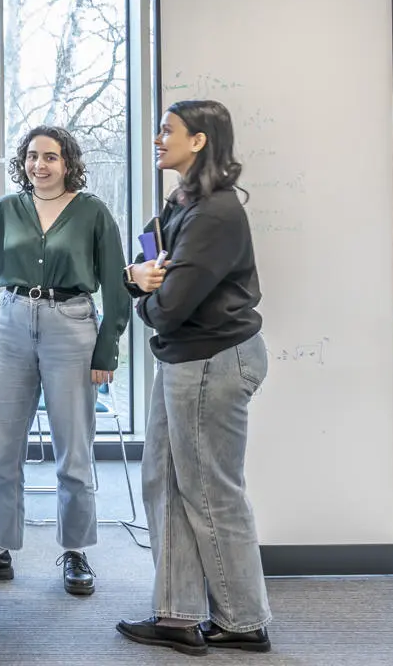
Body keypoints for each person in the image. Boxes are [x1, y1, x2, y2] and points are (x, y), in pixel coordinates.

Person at [114, 100, 271, 655]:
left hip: (211, 360)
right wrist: (143, 274)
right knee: (163, 481)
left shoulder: (215, 214)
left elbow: (170, 305)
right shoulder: (185, 200)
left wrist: (138, 288)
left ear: (199, 141)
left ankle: (243, 621)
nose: (157, 138)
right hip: (184, 360)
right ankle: (178, 614)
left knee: (209, 492)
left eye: (167, 130)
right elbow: (147, 244)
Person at [0, 125, 133, 597]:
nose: (39, 165)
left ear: (68, 163)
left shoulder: (92, 212)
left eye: (50, 157)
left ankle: (75, 551)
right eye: (31, 156)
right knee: (2, 447)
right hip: (10, 322)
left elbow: (115, 280)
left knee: (74, 450)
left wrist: (107, 346)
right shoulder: (5, 210)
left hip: (72, 326)